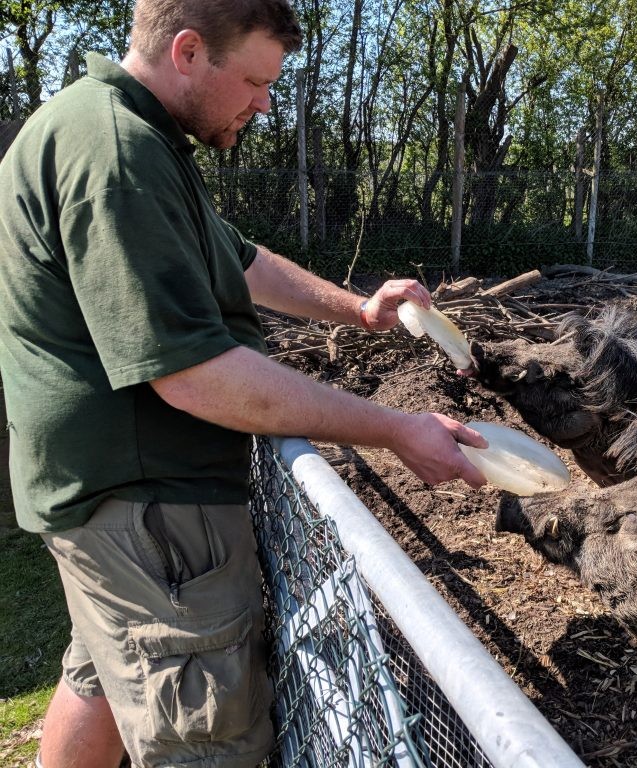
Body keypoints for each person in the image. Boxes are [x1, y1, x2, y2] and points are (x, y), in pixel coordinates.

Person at [0, 1, 488, 766]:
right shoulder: (118, 153)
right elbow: (194, 378)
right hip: (150, 504)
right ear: (189, 52)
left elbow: (242, 259)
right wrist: (396, 428)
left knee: (99, 669)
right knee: (207, 737)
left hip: (105, 496)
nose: (265, 102)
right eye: (257, 80)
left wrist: (360, 311)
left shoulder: (128, 134)